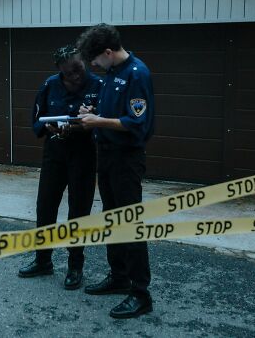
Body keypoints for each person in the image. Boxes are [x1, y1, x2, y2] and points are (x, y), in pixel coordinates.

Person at [76, 23, 155, 319]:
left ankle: (140, 293)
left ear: (108, 52)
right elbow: (110, 114)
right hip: (106, 155)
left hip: (126, 158)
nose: (93, 67)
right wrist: (91, 116)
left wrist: (98, 122)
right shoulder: (111, 74)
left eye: (95, 61)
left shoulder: (137, 74)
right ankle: (119, 277)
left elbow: (136, 124)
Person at [18, 45, 102, 291]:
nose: (76, 76)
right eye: (69, 73)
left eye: (78, 69)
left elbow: (107, 121)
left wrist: (84, 124)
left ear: (83, 63)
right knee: (45, 206)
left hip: (84, 154)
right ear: (60, 72)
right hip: (54, 152)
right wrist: (49, 127)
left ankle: (75, 266)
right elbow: (37, 118)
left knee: (79, 210)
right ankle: (43, 260)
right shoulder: (49, 85)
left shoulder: (98, 85)